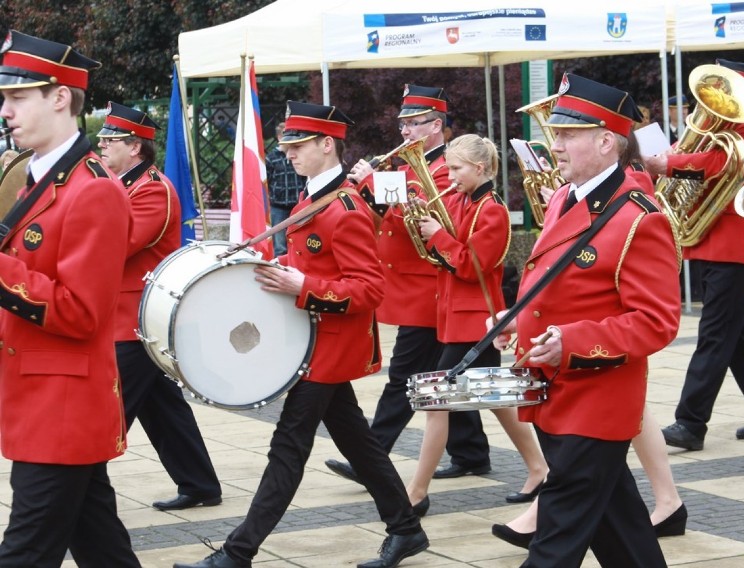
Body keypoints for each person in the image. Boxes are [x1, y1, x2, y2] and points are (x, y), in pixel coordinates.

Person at [174, 101, 428, 568]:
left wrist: (303, 286)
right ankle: (406, 528)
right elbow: (312, 264)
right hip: (313, 342)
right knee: (360, 445)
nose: (288, 154)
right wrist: (265, 266)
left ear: (327, 145)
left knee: (288, 448)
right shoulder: (314, 200)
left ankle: (237, 553)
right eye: (287, 146)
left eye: (299, 145)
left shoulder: (345, 207)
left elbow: (370, 289)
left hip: (329, 348)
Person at [491, 73, 680, 567]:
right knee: (624, 536)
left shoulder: (640, 217)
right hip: (558, 387)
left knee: (555, 543)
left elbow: (657, 321)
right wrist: (518, 319)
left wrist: (572, 340)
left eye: (567, 135)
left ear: (604, 141)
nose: (555, 145)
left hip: (597, 399)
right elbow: (555, 283)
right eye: (556, 134)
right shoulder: (563, 197)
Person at [0, 30, 141, 567]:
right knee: (101, 545)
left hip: (60, 407)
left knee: (25, 553)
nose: (6, 111)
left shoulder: (95, 189)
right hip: (40, 399)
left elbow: (81, 313)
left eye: (18, 98)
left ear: (60, 97)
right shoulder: (36, 176)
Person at [325, 84, 492, 486]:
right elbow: (384, 221)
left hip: (430, 285)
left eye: (414, 123)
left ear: (437, 125)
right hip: (415, 286)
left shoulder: (441, 171)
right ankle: (471, 453)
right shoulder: (403, 167)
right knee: (448, 375)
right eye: (403, 124)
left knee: (405, 375)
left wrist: (371, 185)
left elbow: (419, 222)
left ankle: (372, 455)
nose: (405, 132)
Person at [647, 59, 744, 452]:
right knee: (734, 333)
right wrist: (668, 155)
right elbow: (690, 152)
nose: (712, 103)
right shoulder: (714, 125)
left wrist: (669, 164)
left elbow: (724, 163)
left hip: (735, 242)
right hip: (711, 238)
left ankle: (690, 423)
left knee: (714, 334)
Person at [406, 134, 548, 515]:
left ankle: (415, 495)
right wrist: (422, 218)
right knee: (495, 398)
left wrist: (437, 236)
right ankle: (539, 468)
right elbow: (443, 253)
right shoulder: (457, 199)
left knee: (437, 404)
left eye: (456, 168)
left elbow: (473, 266)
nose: (448, 176)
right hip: (456, 315)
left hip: (478, 320)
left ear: (480, 169)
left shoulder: (493, 210)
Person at [96, 101, 222, 511]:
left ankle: (76, 490)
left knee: (106, 413)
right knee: (163, 409)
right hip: (128, 319)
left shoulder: (152, 188)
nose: (101, 145)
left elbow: (118, 244)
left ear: (135, 147)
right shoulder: (121, 185)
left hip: (135, 321)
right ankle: (200, 483)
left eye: (109, 139)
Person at [265, 121, 305, 255]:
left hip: (297, 205)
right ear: (279, 138)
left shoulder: (298, 156)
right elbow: (266, 182)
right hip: (278, 207)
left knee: (300, 240)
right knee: (280, 245)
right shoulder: (271, 158)